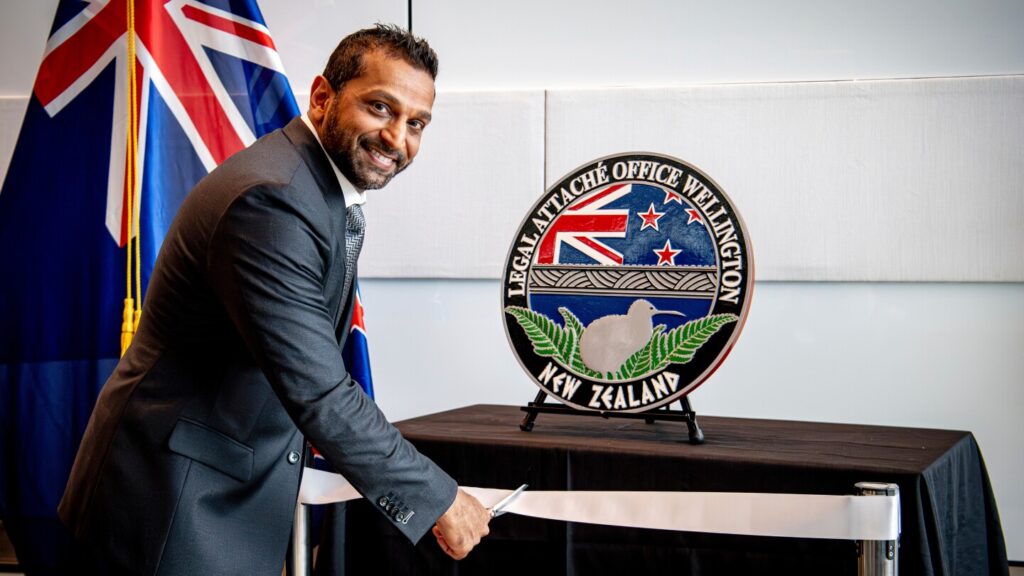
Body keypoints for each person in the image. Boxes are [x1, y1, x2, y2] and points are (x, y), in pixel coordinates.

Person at [58, 24, 490, 575]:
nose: (396, 138)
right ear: (322, 97)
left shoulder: (312, 187)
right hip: (170, 507)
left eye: (416, 123)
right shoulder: (273, 201)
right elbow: (320, 390)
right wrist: (438, 498)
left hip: (213, 493)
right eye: (381, 107)